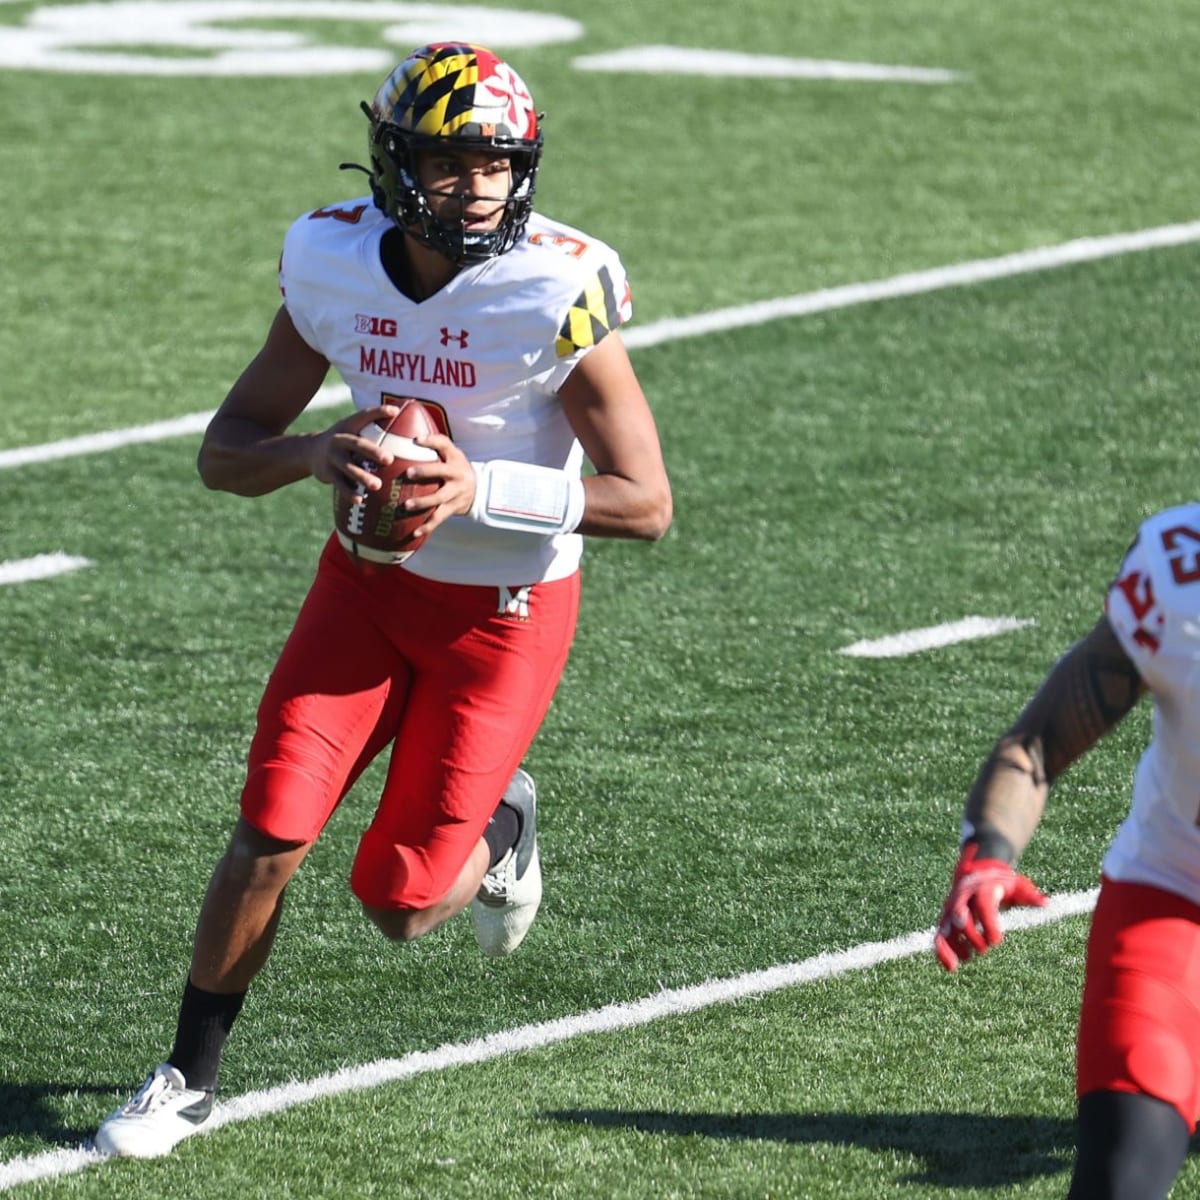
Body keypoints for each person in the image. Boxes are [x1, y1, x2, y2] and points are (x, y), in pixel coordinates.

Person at [94, 41, 672, 1159]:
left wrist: (474, 488)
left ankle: (504, 820)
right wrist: (316, 453)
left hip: (502, 614)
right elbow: (226, 451)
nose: (479, 187)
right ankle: (185, 1075)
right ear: (395, 165)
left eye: (498, 163)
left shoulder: (555, 285)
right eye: (452, 163)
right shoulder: (331, 260)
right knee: (269, 829)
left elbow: (645, 503)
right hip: (363, 590)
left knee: (402, 903)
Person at [932, 502, 1200, 1199]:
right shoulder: (1181, 577)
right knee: (1119, 1181)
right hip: (1174, 897)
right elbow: (1038, 745)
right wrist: (987, 854)